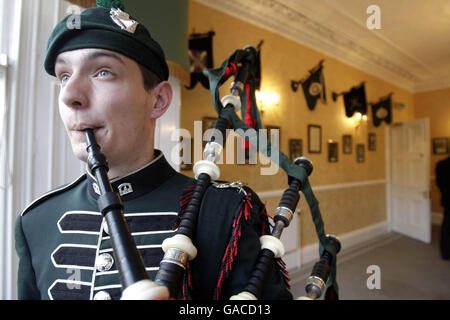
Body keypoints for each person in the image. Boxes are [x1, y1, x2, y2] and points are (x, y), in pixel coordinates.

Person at [14, 1, 292, 300]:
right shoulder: (36, 221)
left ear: (158, 100)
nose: (70, 95)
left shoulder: (225, 212)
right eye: (64, 76)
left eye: (103, 72)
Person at [436, 156, 450, 260]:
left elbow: (439, 183)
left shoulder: (440, 164)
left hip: (447, 199)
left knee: (446, 226)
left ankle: (445, 253)